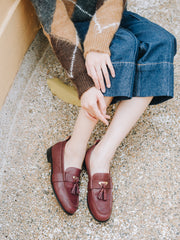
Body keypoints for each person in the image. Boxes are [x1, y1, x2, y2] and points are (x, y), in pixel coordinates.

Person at [31, 0, 177, 222]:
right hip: (71, 26)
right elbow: (55, 25)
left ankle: (101, 154)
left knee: (161, 42)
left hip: (110, 14)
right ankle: (73, 148)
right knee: (123, 46)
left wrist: (98, 46)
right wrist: (83, 83)